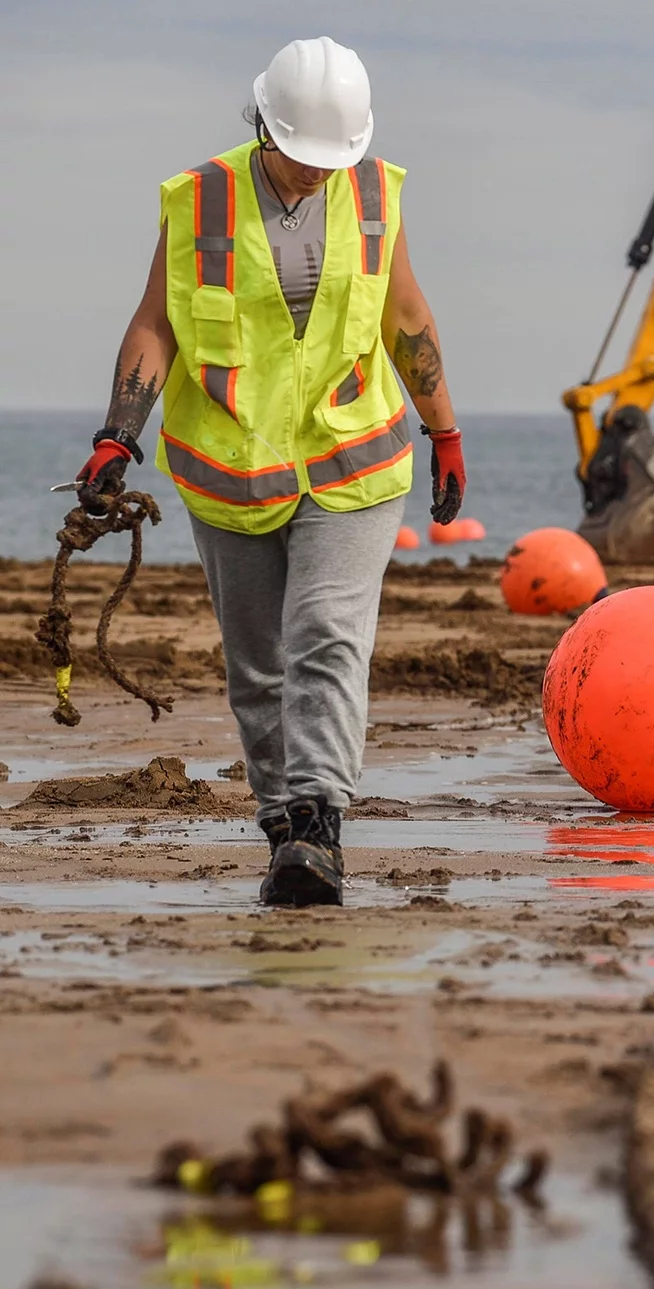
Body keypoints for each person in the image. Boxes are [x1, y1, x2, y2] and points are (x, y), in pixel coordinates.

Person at [75, 36, 465, 907]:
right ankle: (283, 829)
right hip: (229, 468)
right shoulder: (198, 201)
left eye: (334, 159)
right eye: (301, 157)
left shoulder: (373, 192)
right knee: (257, 667)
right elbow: (156, 325)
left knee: (326, 631)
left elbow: (405, 313)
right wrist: (117, 436)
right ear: (264, 126)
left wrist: (444, 430)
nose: (317, 174)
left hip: (353, 459)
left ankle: (320, 822)